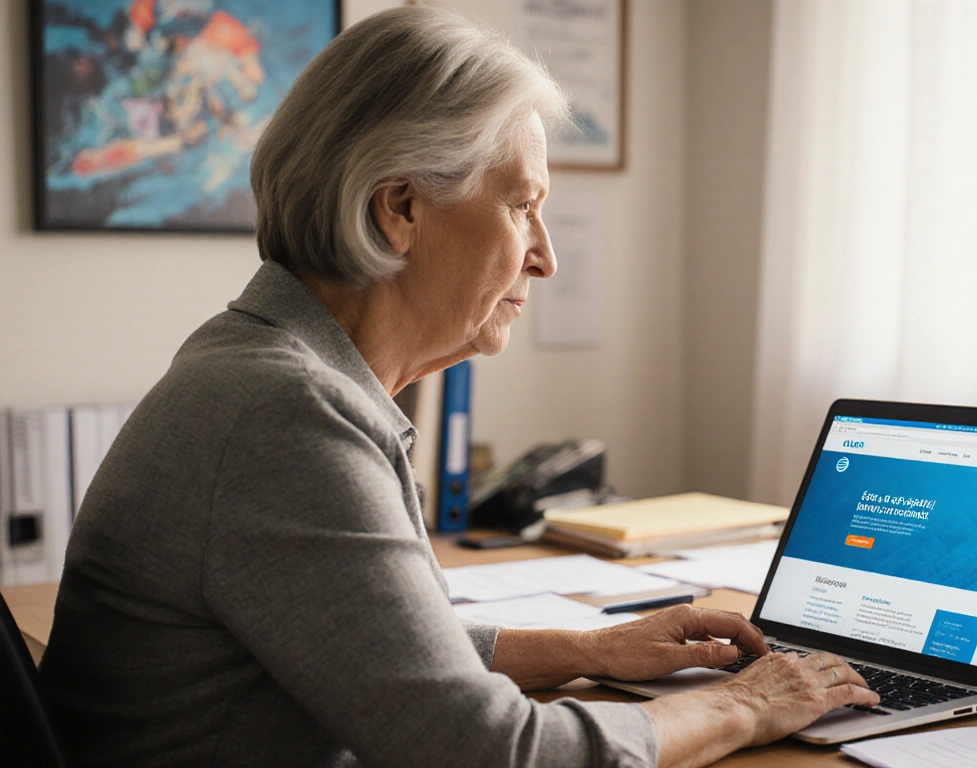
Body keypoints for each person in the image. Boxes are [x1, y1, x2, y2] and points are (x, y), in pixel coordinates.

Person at [38, 6, 878, 767]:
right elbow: (491, 753)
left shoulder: (267, 369)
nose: (545, 256)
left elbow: (382, 650)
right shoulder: (283, 414)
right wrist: (740, 705)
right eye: (522, 207)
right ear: (398, 207)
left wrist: (594, 649)